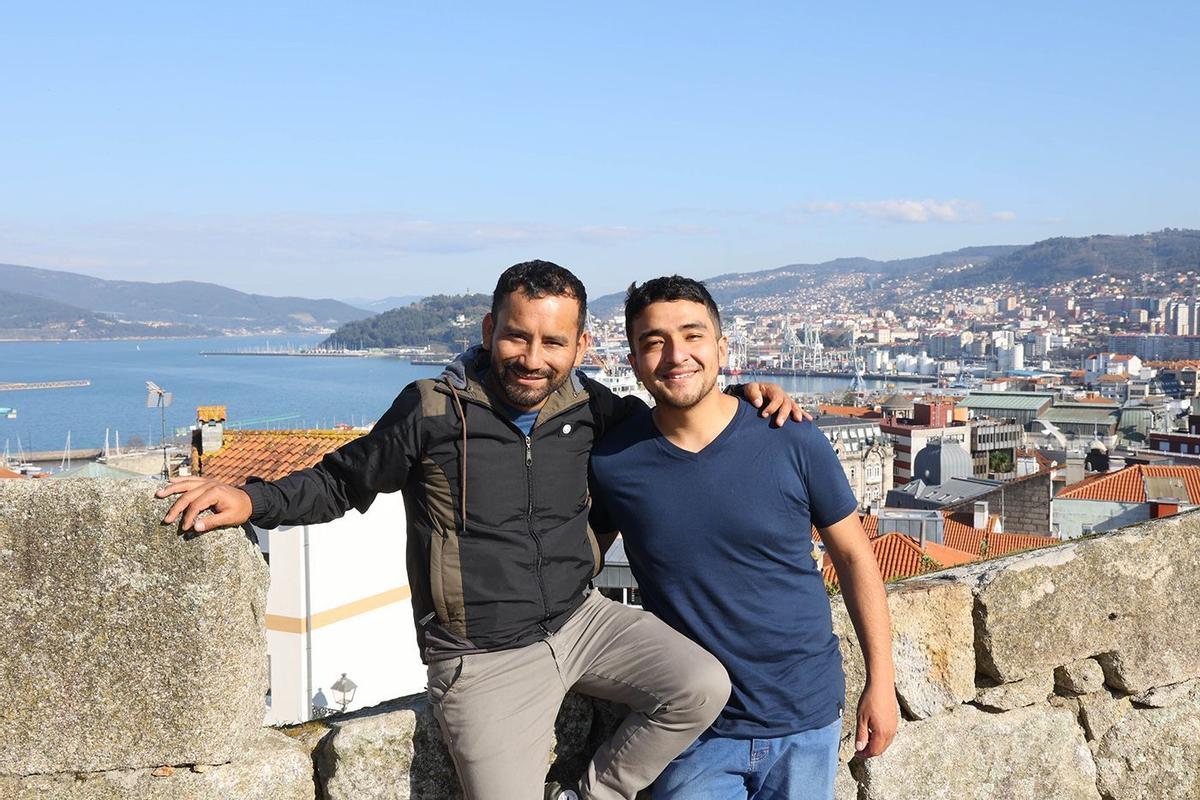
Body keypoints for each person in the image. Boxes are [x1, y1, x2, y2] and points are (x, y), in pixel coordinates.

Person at [157, 260, 807, 800]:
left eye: (554, 343)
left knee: (701, 686)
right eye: (517, 337)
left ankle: (593, 795)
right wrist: (249, 497)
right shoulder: (433, 411)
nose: (532, 357)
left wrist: (749, 398)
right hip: (482, 656)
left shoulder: (595, 409)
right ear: (491, 328)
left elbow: (679, 422)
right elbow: (341, 481)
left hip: (583, 620)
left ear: (581, 347)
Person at [588, 276, 898, 800]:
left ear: (723, 348)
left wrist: (881, 682)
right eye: (653, 342)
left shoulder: (791, 436)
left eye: (692, 335)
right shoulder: (615, 463)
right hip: (693, 730)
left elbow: (853, 556)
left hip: (805, 717)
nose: (675, 355)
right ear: (635, 360)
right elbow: (577, 560)